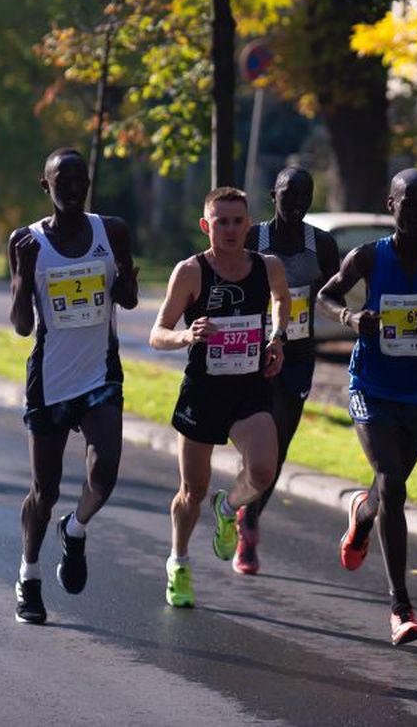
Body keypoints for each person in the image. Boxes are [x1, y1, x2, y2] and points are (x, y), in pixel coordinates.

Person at [317, 168, 417, 646]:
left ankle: (362, 513)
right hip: (372, 383)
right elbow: (326, 297)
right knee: (393, 484)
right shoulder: (367, 256)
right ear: (392, 205)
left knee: (389, 488)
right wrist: (350, 316)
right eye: (410, 206)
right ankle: (400, 606)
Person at [8, 148, 139, 625]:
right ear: (46, 186)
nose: (73, 187)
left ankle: (77, 528)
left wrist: (125, 282)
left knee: (104, 474)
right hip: (49, 380)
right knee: (44, 491)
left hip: (100, 374)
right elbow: (23, 326)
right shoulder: (27, 241)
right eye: (62, 180)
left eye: (80, 178)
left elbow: (127, 298)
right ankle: (29, 574)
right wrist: (23, 278)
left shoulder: (113, 231)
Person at [149, 186, 289, 607]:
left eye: (237, 221)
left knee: (263, 473)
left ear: (249, 224)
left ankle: (229, 509)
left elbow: (282, 300)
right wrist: (186, 336)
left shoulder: (269, 267)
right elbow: (157, 333)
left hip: (249, 387)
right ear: (206, 226)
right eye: (221, 222)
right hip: (204, 391)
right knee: (192, 489)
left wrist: (278, 338)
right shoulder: (191, 272)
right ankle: (179, 562)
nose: (229, 230)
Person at [235, 168, 340, 575]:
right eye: (288, 194)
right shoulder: (252, 238)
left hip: (296, 357)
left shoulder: (322, 245)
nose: (295, 203)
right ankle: (244, 500)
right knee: (251, 438)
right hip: (249, 353)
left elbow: (331, 295)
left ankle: (251, 517)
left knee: (278, 444)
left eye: (304, 196)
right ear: (272, 195)